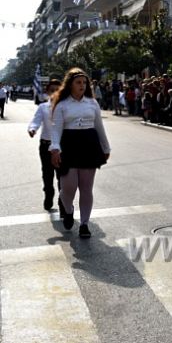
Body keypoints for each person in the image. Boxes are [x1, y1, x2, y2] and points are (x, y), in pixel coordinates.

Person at [50, 68, 111, 238]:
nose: (82, 85)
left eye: (84, 82)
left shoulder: (92, 103)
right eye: (78, 82)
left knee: (86, 187)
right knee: (68, 187)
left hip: (88, 145)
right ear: (70, 85)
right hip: (68, 145)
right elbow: (56, 129)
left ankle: (84, 224)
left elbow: (99, 127)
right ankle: (68, 210)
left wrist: (106, 148)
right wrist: (55, 148)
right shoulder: (62, 105)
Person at [28, 79, 63, 212]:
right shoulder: (43, 107)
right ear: (47, 92)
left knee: (62, 175)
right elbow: (36, 121)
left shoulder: (66, 107)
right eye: (51, 90)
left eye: (57, 90)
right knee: (47, 174)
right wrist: (33, 129)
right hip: (45, 145)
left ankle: (63, 200)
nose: (54, 92)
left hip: (61, 147)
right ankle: (49, 194)